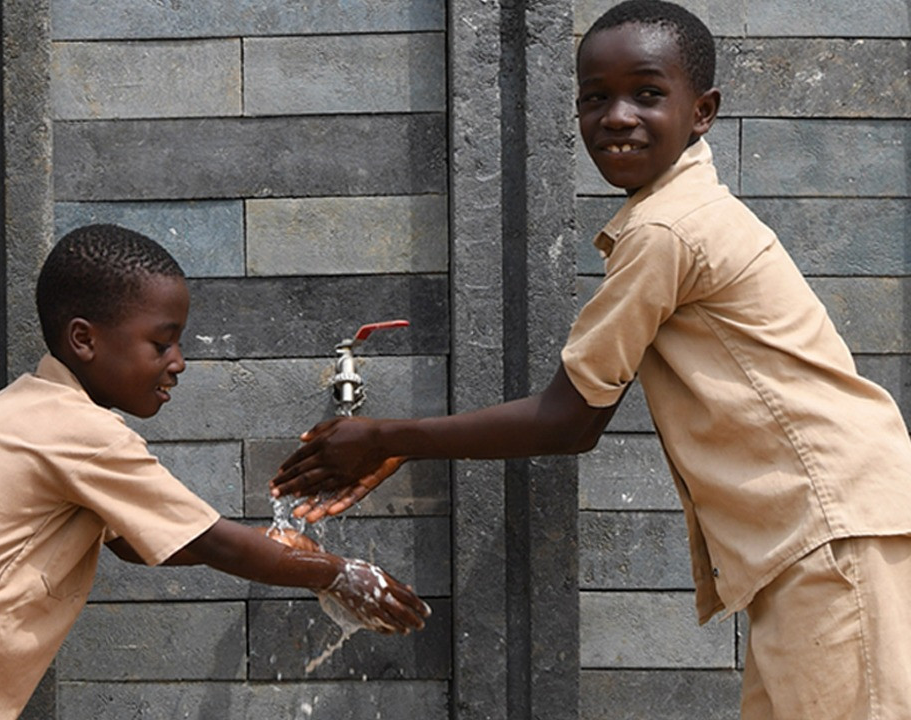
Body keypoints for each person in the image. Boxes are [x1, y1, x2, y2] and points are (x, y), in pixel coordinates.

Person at [270, 2, 911, 717]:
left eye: (646, 93)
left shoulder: (669, 228)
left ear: (702, 111)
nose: (616, 116)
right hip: (828, 533)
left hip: (833, 535)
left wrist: (387, 438)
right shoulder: (680, 214)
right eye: (595, 97)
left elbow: (569, 420)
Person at [0, 224, 430, 720]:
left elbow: (140, 542)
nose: (178, 362)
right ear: (85, 340)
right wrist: (338, 573)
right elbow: (208, 540)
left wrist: (274, 547)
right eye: (162, 343)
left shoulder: (30, 406)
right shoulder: (81, 432)